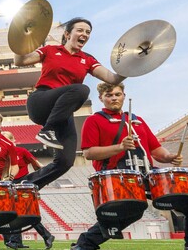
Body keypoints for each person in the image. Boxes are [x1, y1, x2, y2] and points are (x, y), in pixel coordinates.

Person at [71, 82, 188, 250]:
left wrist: (169, 157)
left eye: (117, 94)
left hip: (147, 173)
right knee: (129, 213)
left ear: (123, 95)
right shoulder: (94, 120)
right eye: (109, 95)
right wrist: (119, 147)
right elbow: (89, 153)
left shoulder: (137, 120)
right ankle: (83, 245)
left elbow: (155, 149)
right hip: (118, 175)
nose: (114, 98)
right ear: (101, 98)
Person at [12, 17, 124, 189]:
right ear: (67, 34)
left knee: (65, 161)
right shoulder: (49, 50)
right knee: (82, 90)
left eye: (88, 32)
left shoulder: (87, 59)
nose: (84, 34)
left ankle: (23, 185)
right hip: (42, 101)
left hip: (62, 113)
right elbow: (20, 61)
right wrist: (18, 40)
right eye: (80, 30)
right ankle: (46, 130)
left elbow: (112, 78)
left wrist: (131, 62)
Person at [0, 131, 55, 250]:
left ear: (13, 140)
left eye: (8, 140)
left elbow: (36, 163)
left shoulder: (22, 151)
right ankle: (45, 236)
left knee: (20, 212)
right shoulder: (2, 155)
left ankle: (15, 241)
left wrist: (45, 176)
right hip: (10, 184)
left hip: (24, 183)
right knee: (23, 213)